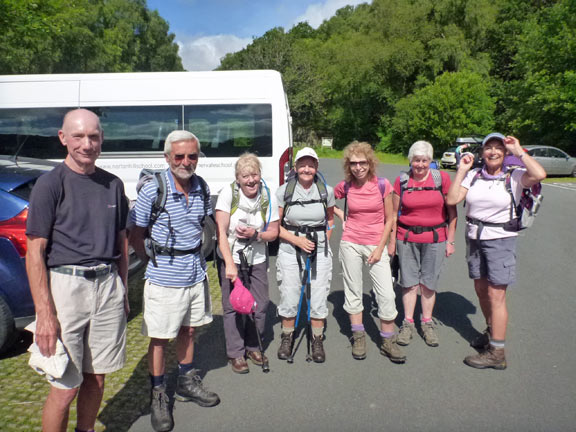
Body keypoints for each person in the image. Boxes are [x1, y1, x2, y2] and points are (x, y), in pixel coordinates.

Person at [25, 109, 129, 432]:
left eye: (94, 136)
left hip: (107, 286)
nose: (87, 144)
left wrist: (123, 289)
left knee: (97, 376)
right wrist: (44, 314)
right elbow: (34, 252)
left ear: (102, 139)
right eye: (79, 136)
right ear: (63, 138)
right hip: (66, 289)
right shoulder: (49, 185)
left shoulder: (113, 185)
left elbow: (122, 243)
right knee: (65, 385)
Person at [130, 130, 220, 432]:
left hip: (195, 272)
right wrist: (148, 261)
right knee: (159, 337)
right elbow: (136, 232)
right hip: (164, 276)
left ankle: (185, 382)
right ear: (167, 157)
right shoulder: (153, 190)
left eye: (192, 156)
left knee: (189, 329)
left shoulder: (201, 187)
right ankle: (158, 394)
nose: (186, 161)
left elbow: (200, 224)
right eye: (179, 156)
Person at [446, 133, 546, 369]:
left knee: (496, 295)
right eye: (488, 147)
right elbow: (452, 199)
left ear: (505, 153)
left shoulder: (515, 176)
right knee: (481, 290)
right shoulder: (474, 176)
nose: (492, 151)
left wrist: (519, 150)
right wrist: (462, 169)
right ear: (482, 153)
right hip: (474, 237)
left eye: (498, 148)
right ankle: (492, 333)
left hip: (500, 239)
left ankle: (497, 352)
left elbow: (540, 174)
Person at [333, 141, 403, 363]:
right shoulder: (346, 186)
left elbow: (390, 218)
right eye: (353, 163)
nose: (358, 167)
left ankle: (388, 341)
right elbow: (326, 198)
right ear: (348, 165)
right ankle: (358, 335)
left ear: (370, 162)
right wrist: (341, 216)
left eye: (362, 162)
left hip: (375, 243)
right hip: (350, 242)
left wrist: (383, 247)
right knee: (353, 290)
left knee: (386, 293)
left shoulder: (382, 185)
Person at [214, 153, 279, 373]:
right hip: (231, 256)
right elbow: (221, 232)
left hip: (257, 257)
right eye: (245, 176)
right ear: (238, 178)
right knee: (232, 306)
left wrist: (256, 234)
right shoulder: (227, 194)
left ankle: (253, 346)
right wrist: (229, 264)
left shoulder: (268, 195)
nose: (251, 180)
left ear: (260, 175)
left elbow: (274, 232)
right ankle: (235, 353)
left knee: (260, 305)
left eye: (254, 174)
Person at [390, 141, 457, 349]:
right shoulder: (401, 181)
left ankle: (426, 322)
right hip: (406, 237)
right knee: (409, 282)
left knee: (429, 283)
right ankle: (408, 322)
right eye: (416, 160)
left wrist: (451, 240)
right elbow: (393, 215)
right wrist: (392, 242)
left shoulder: (441, 178)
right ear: (410, 161)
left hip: (435, 238)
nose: (420, 165)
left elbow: (452, 213)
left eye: (424, 160)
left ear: (430, 161)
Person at [275, 147, 335, 363]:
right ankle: (287, 337)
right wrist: (297, 240)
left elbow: (330, 220)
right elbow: (275, 226)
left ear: (316, 167)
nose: (306, 169)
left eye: (311, 165)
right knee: (290, 293)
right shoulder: (284, 191)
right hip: (291, 247)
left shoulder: (326, 191)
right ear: (296, 167)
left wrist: (324, 240)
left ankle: (317, 340)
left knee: (318, 294)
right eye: (302, 164)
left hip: (319, 249)